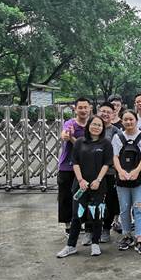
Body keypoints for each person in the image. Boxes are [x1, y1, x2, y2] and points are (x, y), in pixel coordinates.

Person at [57, 116, 113, 258]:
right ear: (88, 126)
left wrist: (98, 180)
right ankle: (71, 246)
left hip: (98, 186)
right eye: (94, 124)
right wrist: (81, 180)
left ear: (103, 128)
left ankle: (95, 243)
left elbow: (107, 164)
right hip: (80, 186)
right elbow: (75, 162)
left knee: (97, 215)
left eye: (99, 125)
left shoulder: (106, 143)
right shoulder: (79, 142)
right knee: (77, 215)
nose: (96, 127)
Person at [112, 110, 141, 255]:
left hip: (140, 179)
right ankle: (127, 235)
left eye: (131, 119)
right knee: (124, 208)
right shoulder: (117, 137)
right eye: (125, 120)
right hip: (122, 179)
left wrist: (136, 171)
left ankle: (139, 238)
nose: (128, 122)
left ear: (136, 120)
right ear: (122, 121)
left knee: (139, 207)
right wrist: (121, 171)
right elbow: (115, 156)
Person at [58, 97, 91, 235]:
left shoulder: (92, 125)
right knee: (65, 197)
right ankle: (68, 225)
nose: (83, 110)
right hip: (67, 166)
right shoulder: (70, 123)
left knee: (82, 196)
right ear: (75, 109)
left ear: (90, 108)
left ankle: (80, 222)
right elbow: (64, 133)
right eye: (80, 107)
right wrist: (67, 136)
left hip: (84, 167)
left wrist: (72, 139)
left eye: (85, 107)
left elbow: (86, 146)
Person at [97, 102, 121, 243]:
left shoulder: (116, 131)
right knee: (93, 201)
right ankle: (91, 230)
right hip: (92, 172)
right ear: (98, 112)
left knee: (110, 202)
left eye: (108, 112)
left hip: (110, 172)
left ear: (113, 115)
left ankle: (106, 228)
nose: (105, 114)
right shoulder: (92, 127)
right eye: (103, 111)